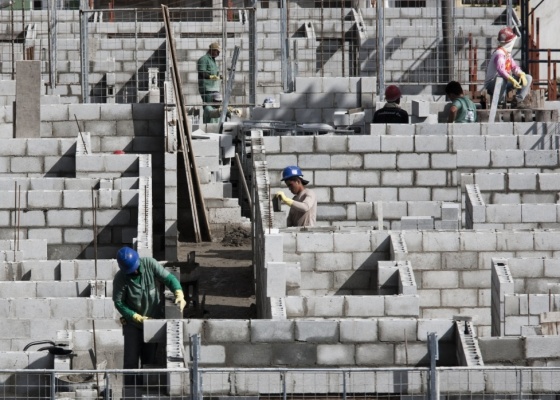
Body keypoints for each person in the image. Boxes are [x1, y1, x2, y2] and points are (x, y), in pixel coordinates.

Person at [112, 247, 186, 384]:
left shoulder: (149, 264)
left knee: (149, 361)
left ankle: (146, 389)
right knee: (130, 361)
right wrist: (135, 316)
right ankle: (130, 391)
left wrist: (178, 292)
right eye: (131, 271)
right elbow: (118, 303)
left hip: (152, 321)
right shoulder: (120, 278)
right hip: (133, 324)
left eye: (135, 268)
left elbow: (169, 278)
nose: (134, 272)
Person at [483, 27, 533, 108]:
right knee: (501, 79)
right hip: (492, 84)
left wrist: (521, 74)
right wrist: (512, 79)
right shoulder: (499, 53)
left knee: (528, 78)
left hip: (505, 82)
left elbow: (514, 67)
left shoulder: (507, 53)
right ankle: (499, 103)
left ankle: (518, 101)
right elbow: (501, 70)